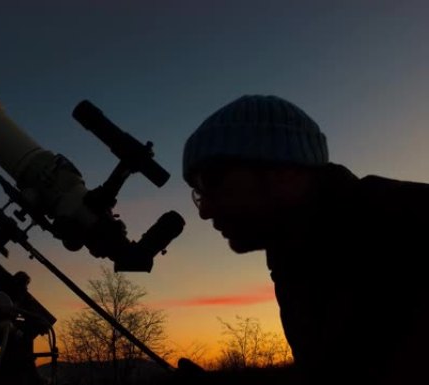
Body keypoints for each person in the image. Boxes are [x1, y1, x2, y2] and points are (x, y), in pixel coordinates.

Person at [180, 95, 429, 384]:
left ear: (282, 169)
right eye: (197, 193)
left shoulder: (410, 226)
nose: (205, 210)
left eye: (209, 182)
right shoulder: (296, 260)